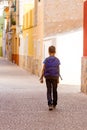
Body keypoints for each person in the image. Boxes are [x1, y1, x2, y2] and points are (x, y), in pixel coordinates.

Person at [40, 45, 61, 111]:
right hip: (55, 77)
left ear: (49, 52)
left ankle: (50, 104)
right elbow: (58, 69)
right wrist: (58, 78)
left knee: (49, 90)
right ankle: (54, 104)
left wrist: (41, 77)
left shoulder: (46, 59)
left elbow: (43, 68)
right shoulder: (57, 60)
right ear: (55, 52)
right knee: (55, 90)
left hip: (48, 77)